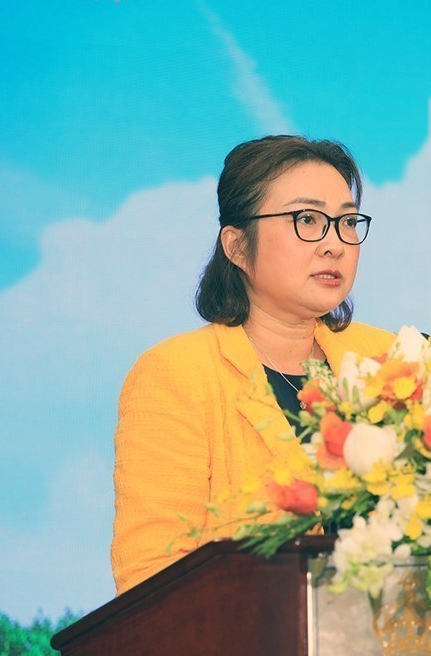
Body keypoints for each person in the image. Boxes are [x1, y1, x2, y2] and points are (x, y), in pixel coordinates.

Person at [111, 136, 394, 594]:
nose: (335, 244)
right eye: (307, 219)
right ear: (238, 246)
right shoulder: (178, 375)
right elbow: (151, 579)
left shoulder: (390, 361)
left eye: (346, 221)